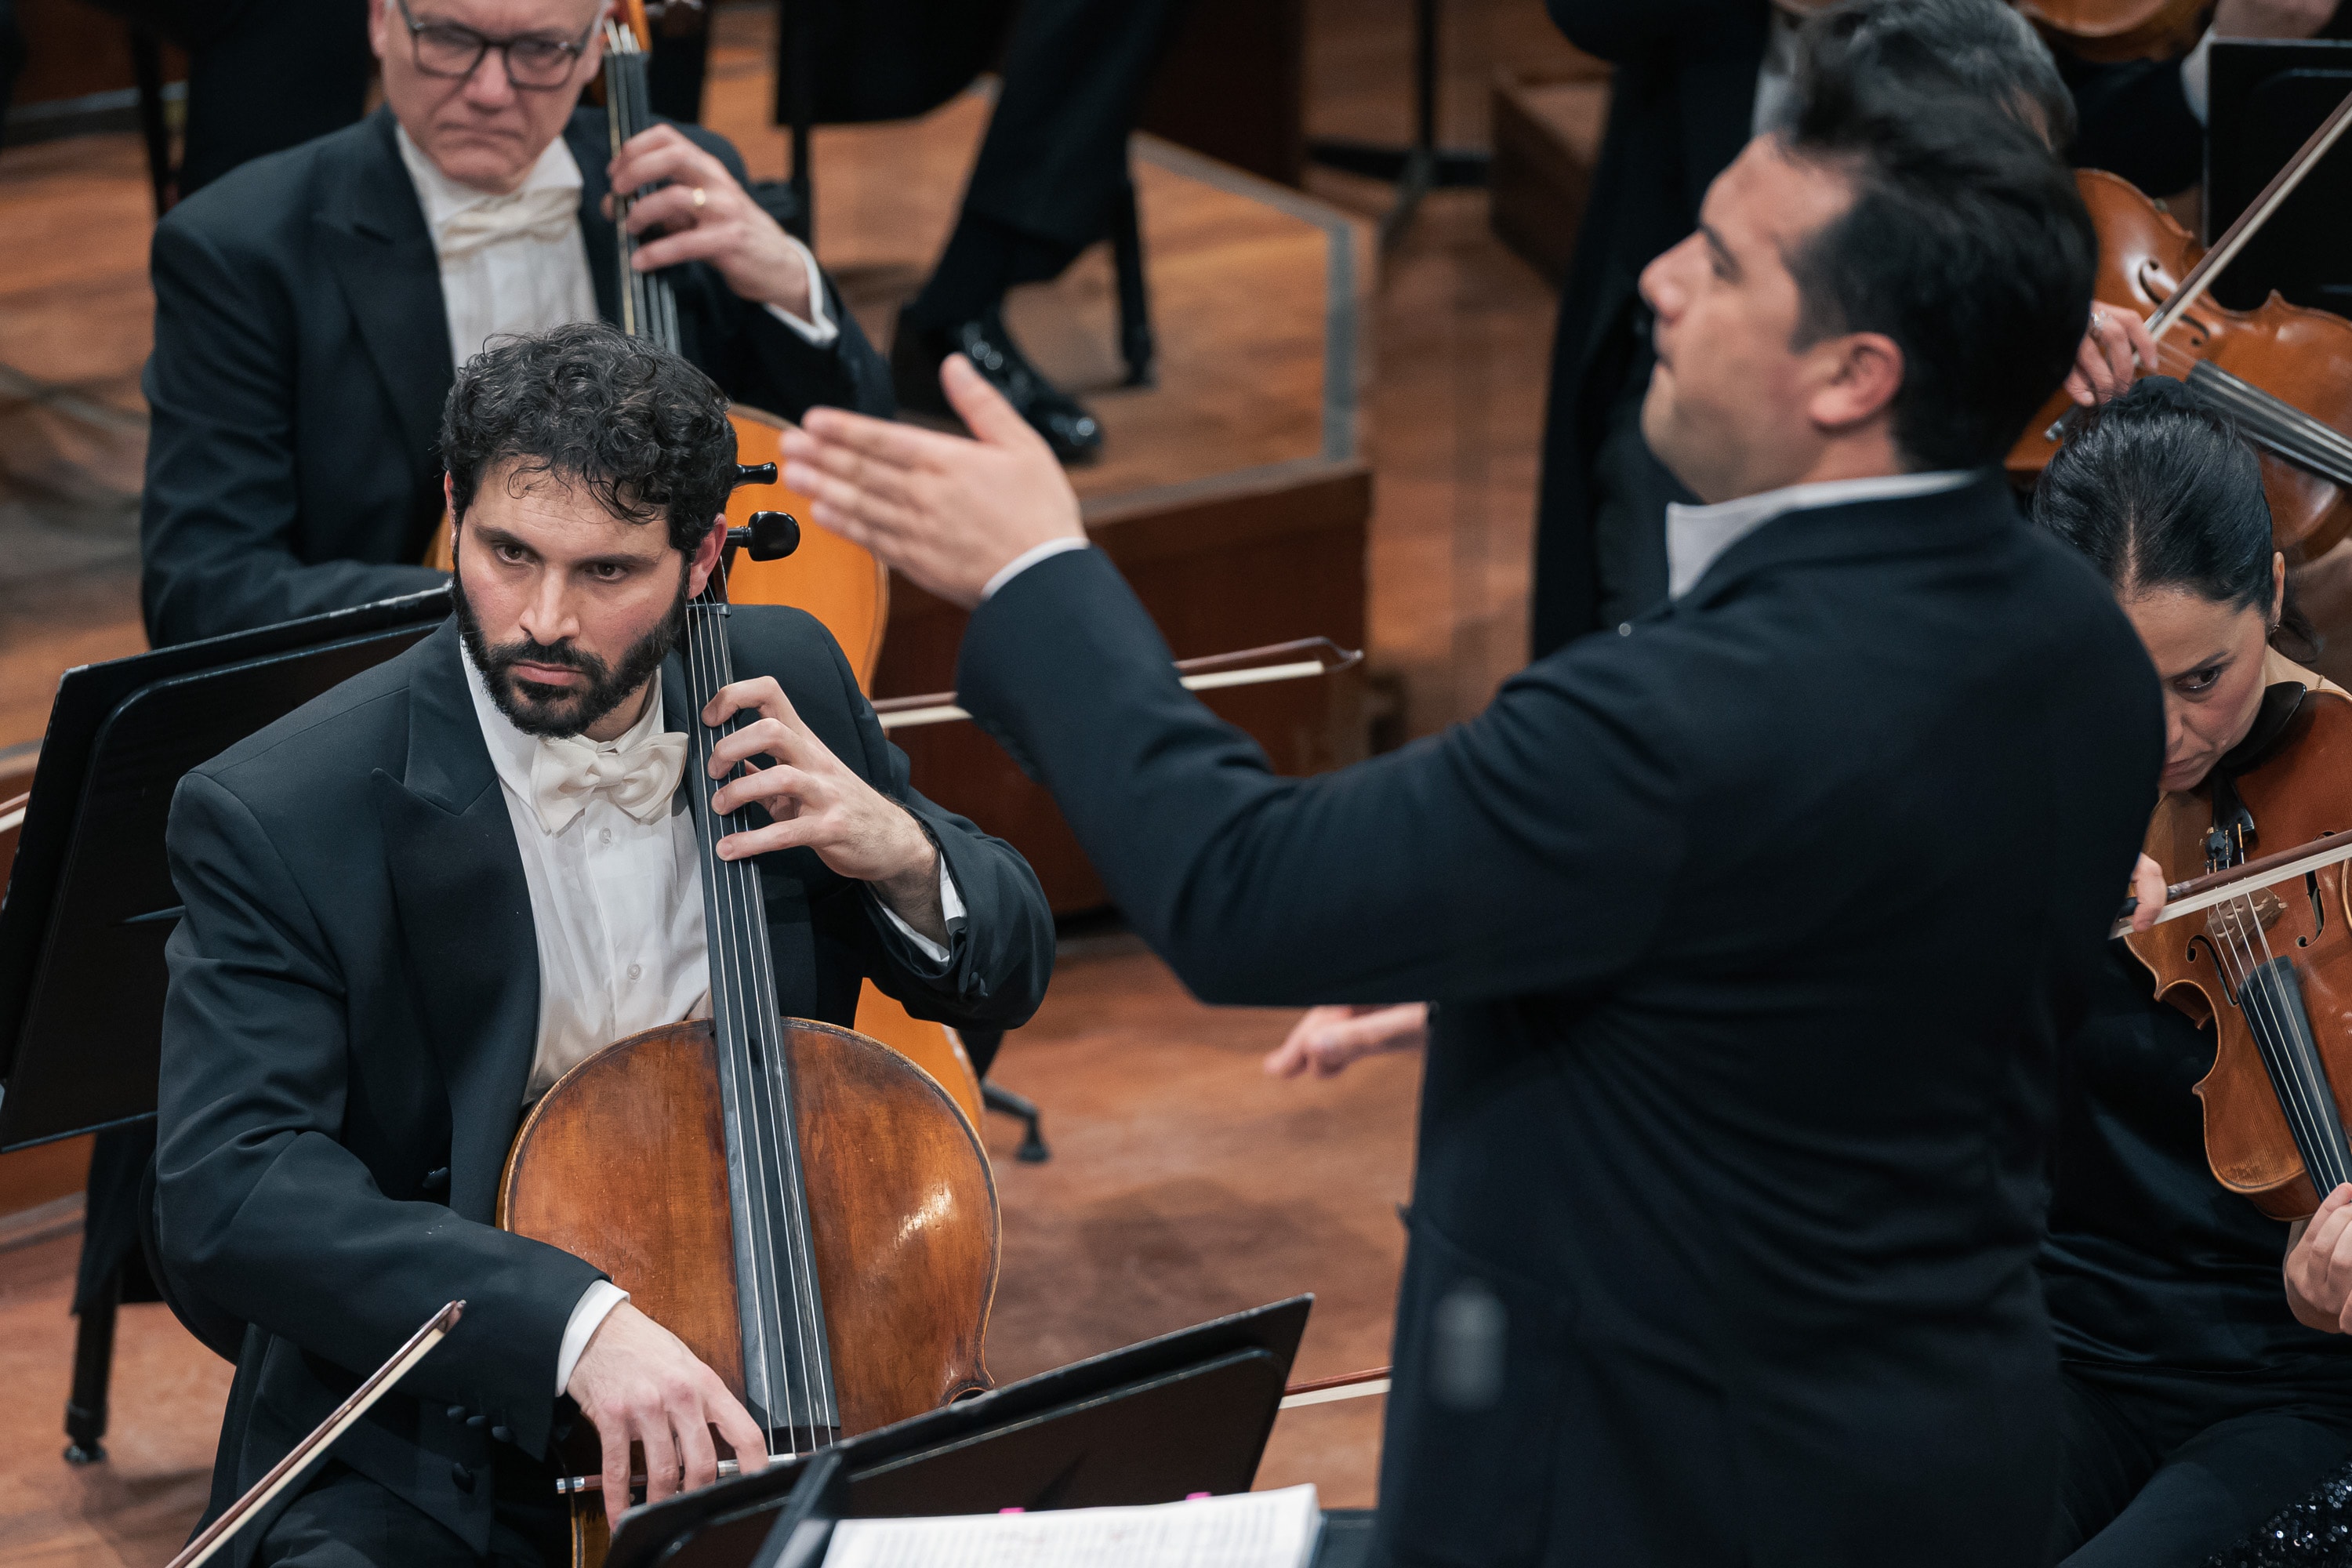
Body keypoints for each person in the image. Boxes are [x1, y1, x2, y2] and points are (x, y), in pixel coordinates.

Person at [780, 66, 2165, 1566]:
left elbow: (1245, 885)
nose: (1655, 279)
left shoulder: (1680, 720)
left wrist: (1039, 572)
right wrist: (1560, 975)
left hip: (1651, 1498)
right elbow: (1847, 956)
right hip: (1941, 1464)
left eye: (1719, 262)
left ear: (1854, 374)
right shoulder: (2084, 649)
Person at [151, 324, 1054, 1565]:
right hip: (448, 1426)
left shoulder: (779, 679)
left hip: (801, 1362)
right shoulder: (285, 807)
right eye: (508, 553)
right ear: (456, 509)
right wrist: (575, 1328)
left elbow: (1008, 958)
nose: (544, 619)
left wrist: (898, 849)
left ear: (704, 559)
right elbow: (231, 1188)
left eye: (608, 572)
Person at [136, 0, 891, 649]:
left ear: (595, 43)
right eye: (449, 38)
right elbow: (205, 590)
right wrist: (515, 598)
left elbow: (854, 467)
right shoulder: (240, 248)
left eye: (540, 49)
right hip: (407, 710)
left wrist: (790, 284)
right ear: (381, 20)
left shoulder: (675, 187)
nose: (490, 91)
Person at [2025, 377, 2352, 1565]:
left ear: (2272, 594)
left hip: (2292, 1387)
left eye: (2203, 678)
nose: (2162, 734)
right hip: (2051, 1349)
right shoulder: (2007, 785)